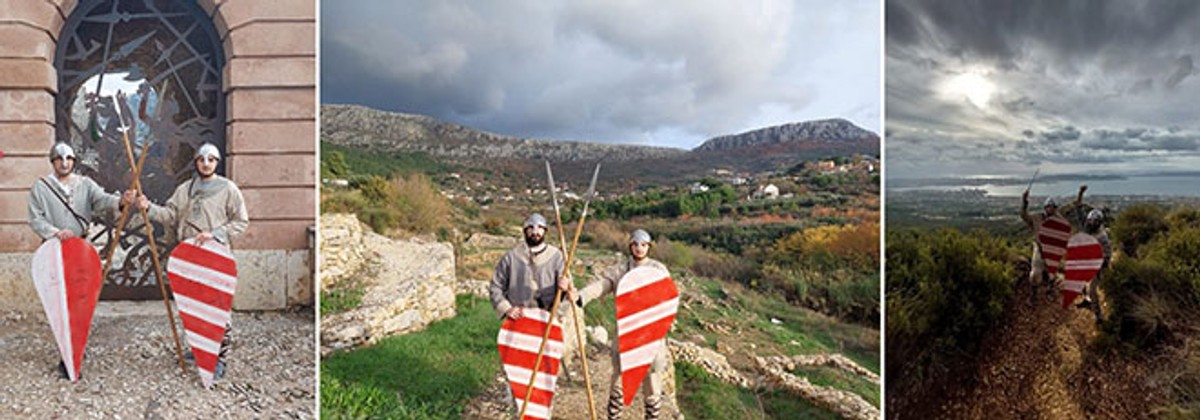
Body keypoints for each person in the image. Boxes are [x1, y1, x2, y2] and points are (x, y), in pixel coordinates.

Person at [138, 142, 248, 380]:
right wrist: (148, 208)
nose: (206, 163)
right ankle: (200, 349)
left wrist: (215, 233)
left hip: (215, 256)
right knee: (194, 307)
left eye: (210, 159)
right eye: (201, 159)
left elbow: (241, 222)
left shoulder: (229, 189)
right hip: (188, 258)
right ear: (196, 162)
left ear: (216, 162)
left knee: (217, 309)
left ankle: (219, 358)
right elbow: (169, 215)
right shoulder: (185, 189)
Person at [28, 142, 135, 379]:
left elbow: (103, 200)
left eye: (68, 158)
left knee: (81, 299)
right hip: (54, 251)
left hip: (81, 250)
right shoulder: (41, 187)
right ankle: (65, 353)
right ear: (52, 161)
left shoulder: (85, 184)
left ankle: (77, 347)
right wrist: (55, 232)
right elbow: (35, 219)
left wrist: (121, 201)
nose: (64, 163)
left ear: (74, 161)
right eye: (59, 158)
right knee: (59, 302)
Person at [569, 229, 671, 420]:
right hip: (627, 333)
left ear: (649, 246)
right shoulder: (621, 270)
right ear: (630, 246)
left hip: (650, 333)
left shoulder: (658, 269)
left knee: (652, 382)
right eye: (635, 244)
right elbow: (603, 285)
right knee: (619, 381)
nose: (639, 248)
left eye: (643, 245)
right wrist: (581, 296)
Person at [1020, 185, 1085, 305]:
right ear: (1045, 208)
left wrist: (1080, 192)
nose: (1050, 209)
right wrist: (1024, 202)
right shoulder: (1037, 218)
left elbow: (1075, 204)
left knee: (1051, 274)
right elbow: (1024, 215)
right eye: (1048, 207)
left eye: (1053, 207)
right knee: (1035, 275)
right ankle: (1033, 295)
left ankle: (1050, 290)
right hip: (1039, 249)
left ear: (1055, 208)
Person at [1075, 202, 1111, 324]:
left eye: (1094, 222)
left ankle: (1098, 315)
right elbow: (1080, 213)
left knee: (1092, 289)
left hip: (1099, 266)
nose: (1091, 223)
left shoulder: (1102, 237)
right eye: (1090, 221)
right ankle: (1086, 300)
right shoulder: (1090, 228)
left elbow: (1106, 255)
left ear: (1099, 223)